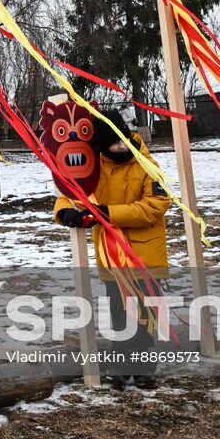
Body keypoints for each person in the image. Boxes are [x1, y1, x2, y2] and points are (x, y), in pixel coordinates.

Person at [54, 115, 171, 390]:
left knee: (144, 317)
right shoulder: (91, 169)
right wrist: (65, 212)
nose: (121, 146)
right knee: (119, 316)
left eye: (123, 140)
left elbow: (157, 204)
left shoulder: (146, 165)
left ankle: (143, 369)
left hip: (145, 257)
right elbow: (69, 191)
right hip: (111, 258)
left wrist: (110, 213)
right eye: (113, 143)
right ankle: (120, 368)